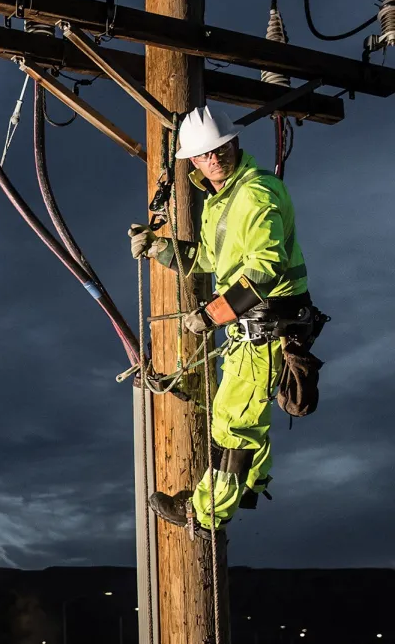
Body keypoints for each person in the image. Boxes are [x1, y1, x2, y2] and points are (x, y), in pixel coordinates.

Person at [128, 105, 312, 540]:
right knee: (243, 418)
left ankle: (206, 515)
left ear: (234, 144)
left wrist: (210, 315)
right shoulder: (221, 200)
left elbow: (266, 267)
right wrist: (159, 248)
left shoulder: (256, 193)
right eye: (205, 153)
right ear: (193, 160)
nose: (215, 158)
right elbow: (211, 260)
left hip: (267, 326)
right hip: (253, 329)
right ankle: (248, 486)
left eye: (220, 148)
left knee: (232, 424)